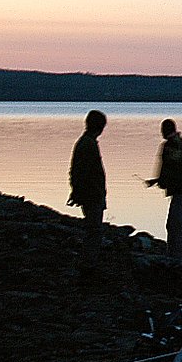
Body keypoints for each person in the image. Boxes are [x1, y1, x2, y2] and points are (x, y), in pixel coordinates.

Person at [146, 119, 182, 261]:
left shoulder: (171, 146)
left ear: (164, 130)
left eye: (162, 130)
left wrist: (162, 181)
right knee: (174, 224)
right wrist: (158, 181)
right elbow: (176, 169)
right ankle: (176, 256)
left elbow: (172, 168)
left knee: (177, 224)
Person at [67, 109, 107, 266]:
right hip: (92, 195)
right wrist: (79, 192)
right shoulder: (88, 144)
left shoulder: (85, 142)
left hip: (91, 193)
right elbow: (82, 172)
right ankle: (89, 264)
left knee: (93, 229)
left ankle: (89, 262)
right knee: (94, 230)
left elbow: (76, 171)